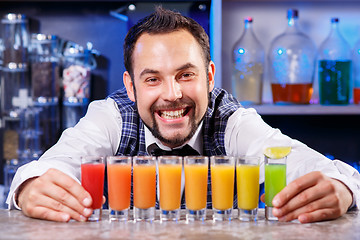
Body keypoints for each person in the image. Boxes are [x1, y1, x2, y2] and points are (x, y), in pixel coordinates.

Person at [6, 7, 360, 223]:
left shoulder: (232, 121)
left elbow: (301, 161)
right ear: (131, 87)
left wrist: (342, 187)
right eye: (153, 79)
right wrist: (30, 187)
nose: (172, 95)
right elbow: (55, 163)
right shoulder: (112, 116)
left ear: (209, 76)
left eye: (185, 75)